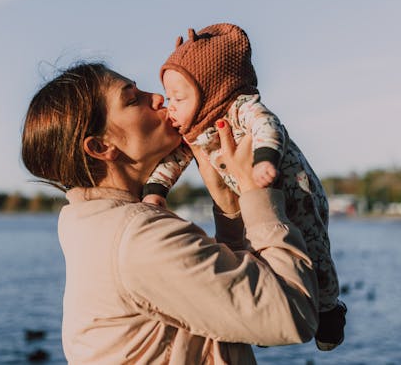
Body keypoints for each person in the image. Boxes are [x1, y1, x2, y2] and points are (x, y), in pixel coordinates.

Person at [21, 62, 320, 364]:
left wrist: (228, 209)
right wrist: (255, 190)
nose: (157, 99)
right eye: (133, 99)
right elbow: (294, 314)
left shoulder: (94, 226)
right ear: (100, 146)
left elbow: (243, 318)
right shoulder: (138, 238)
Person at [141, 24, 346, 351]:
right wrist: (156, 191)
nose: (171, 107)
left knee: (314, 246)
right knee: (256, 250)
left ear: (213, 90)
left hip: (296, 191)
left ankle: (328, 307)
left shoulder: (238, 108)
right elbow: (172, 161)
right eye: (169, 97)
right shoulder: (192, 131)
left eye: (179, 97)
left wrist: (264, 159)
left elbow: (267, 125)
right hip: (256, 200)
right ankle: (265, 317)